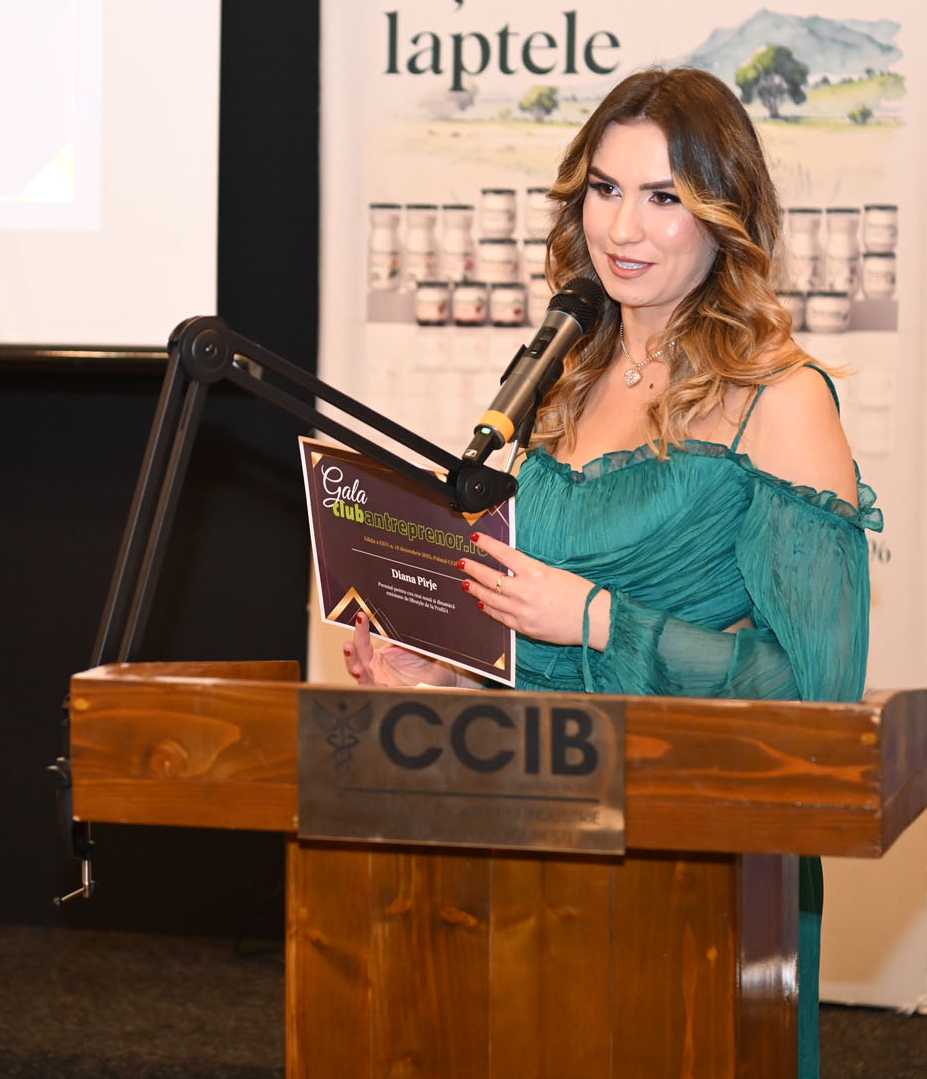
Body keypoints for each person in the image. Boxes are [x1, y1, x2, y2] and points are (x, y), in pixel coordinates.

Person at [343, 66, 881, 1079]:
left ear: (724, 215)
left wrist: (598, 617)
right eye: (604, 188)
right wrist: (451, 670)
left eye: (664, 196)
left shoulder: (781, 398)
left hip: (700, 845)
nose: (623, 228)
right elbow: (529, 621)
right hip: (529, 823)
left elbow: (816, 693)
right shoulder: (558, 379)